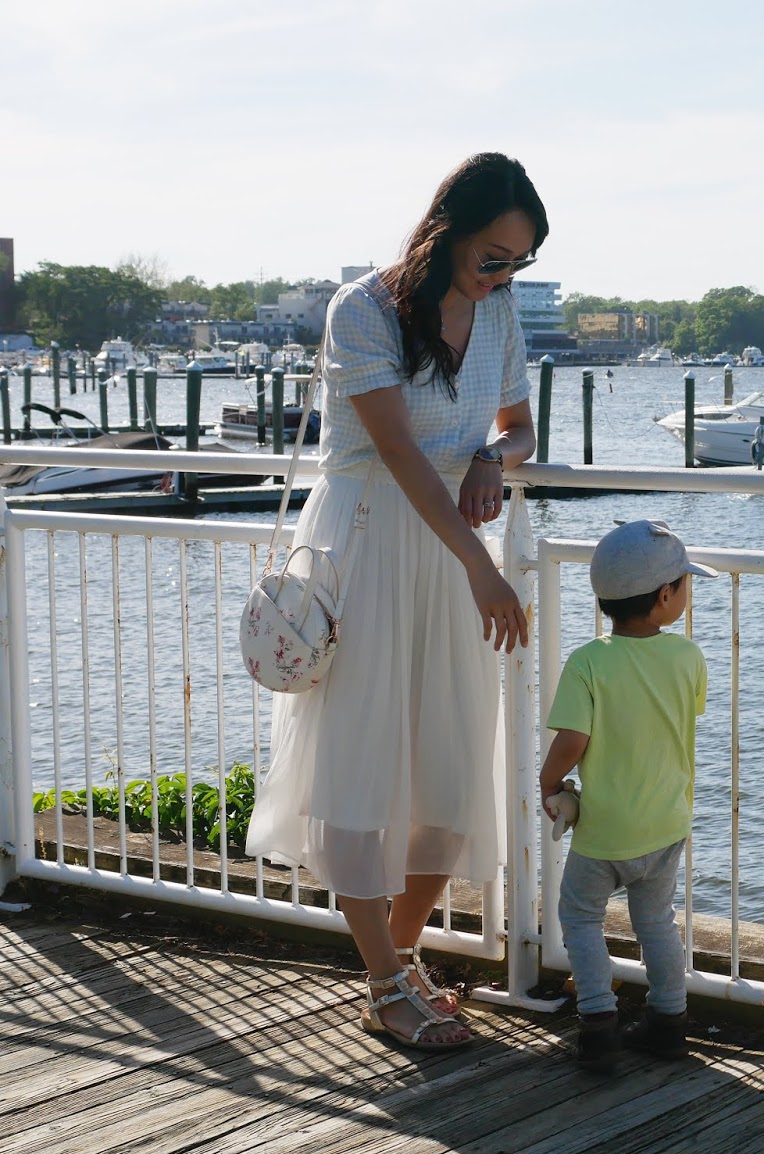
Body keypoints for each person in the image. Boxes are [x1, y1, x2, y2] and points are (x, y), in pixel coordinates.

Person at [245, 152, 546, 1050]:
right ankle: (384, 981)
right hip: (370, 539)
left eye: (518, 262)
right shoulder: (364, 309)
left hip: (447, 545)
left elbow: (523, 429)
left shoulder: (500, 311)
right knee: (358, 763)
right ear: (448, 230)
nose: (501, 276)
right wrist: (482, 566)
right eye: (492, 256)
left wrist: (492, 457)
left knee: (452, 765)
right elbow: (400, 453)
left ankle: (401, 959)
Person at [540, 519, 715, 1071]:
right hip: (666, 823)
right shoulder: (687, 657)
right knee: (656, 921)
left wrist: (549, 783)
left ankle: (598, 1024)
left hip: (605, 830)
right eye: (685, 584)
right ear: (665, 597)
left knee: (581, 916)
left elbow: (573, 740)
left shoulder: (588, 662)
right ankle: (669, 1021)